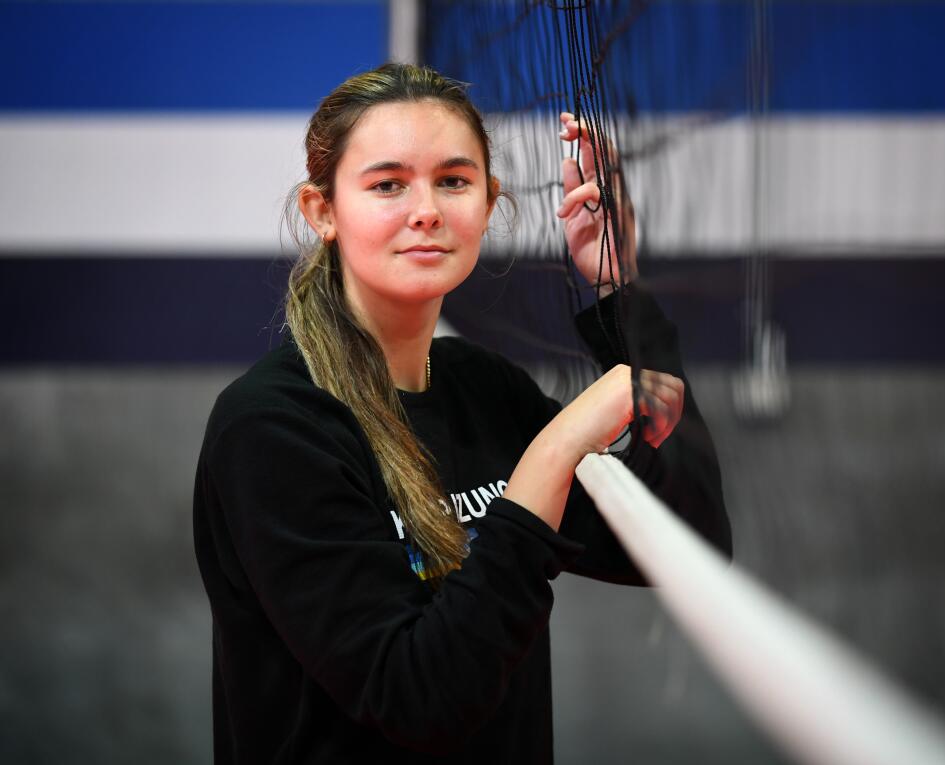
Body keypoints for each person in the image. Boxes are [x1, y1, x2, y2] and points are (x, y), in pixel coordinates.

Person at [192, 62, 731, 764]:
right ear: (321, 212)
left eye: (453, 180)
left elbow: (689, 537)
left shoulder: (483, 388)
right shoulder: (271, 429)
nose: (427, 210)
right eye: (388, 184)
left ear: (489, 201)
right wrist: (556, 448)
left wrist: (619, 293)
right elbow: (420, 700)